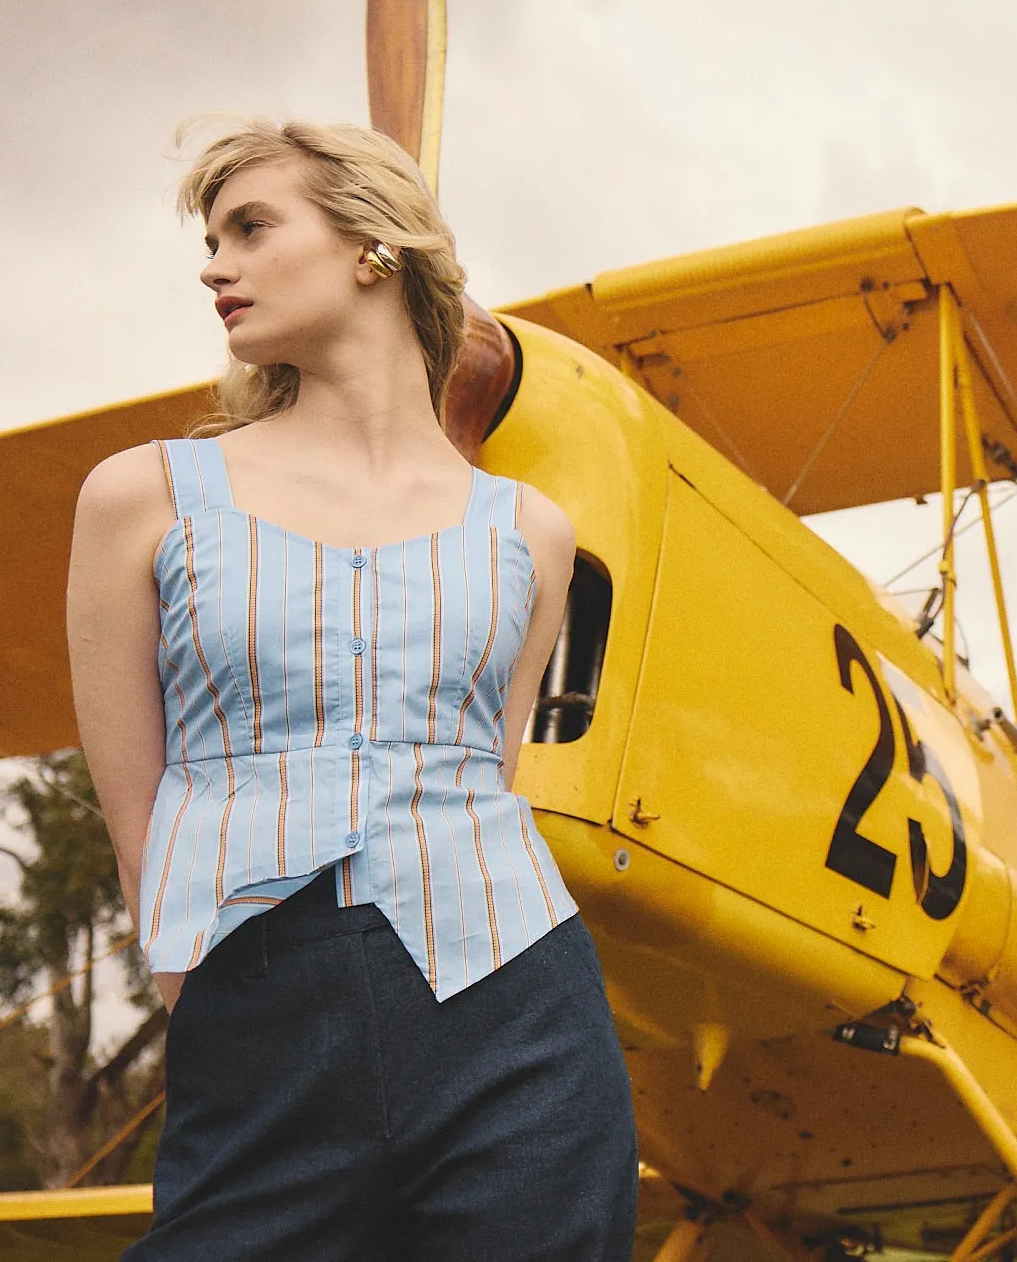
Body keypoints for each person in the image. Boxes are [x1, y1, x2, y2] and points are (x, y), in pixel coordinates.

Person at [66, 119, 639, 1259]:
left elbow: (496, 773)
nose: (213, 266)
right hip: (260, 1014)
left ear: (373, 248)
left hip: (516, 1003)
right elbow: (139, 821)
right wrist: (211, 995)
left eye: (251, 227)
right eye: (212, 237)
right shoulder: (142, 498)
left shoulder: (530, 531)